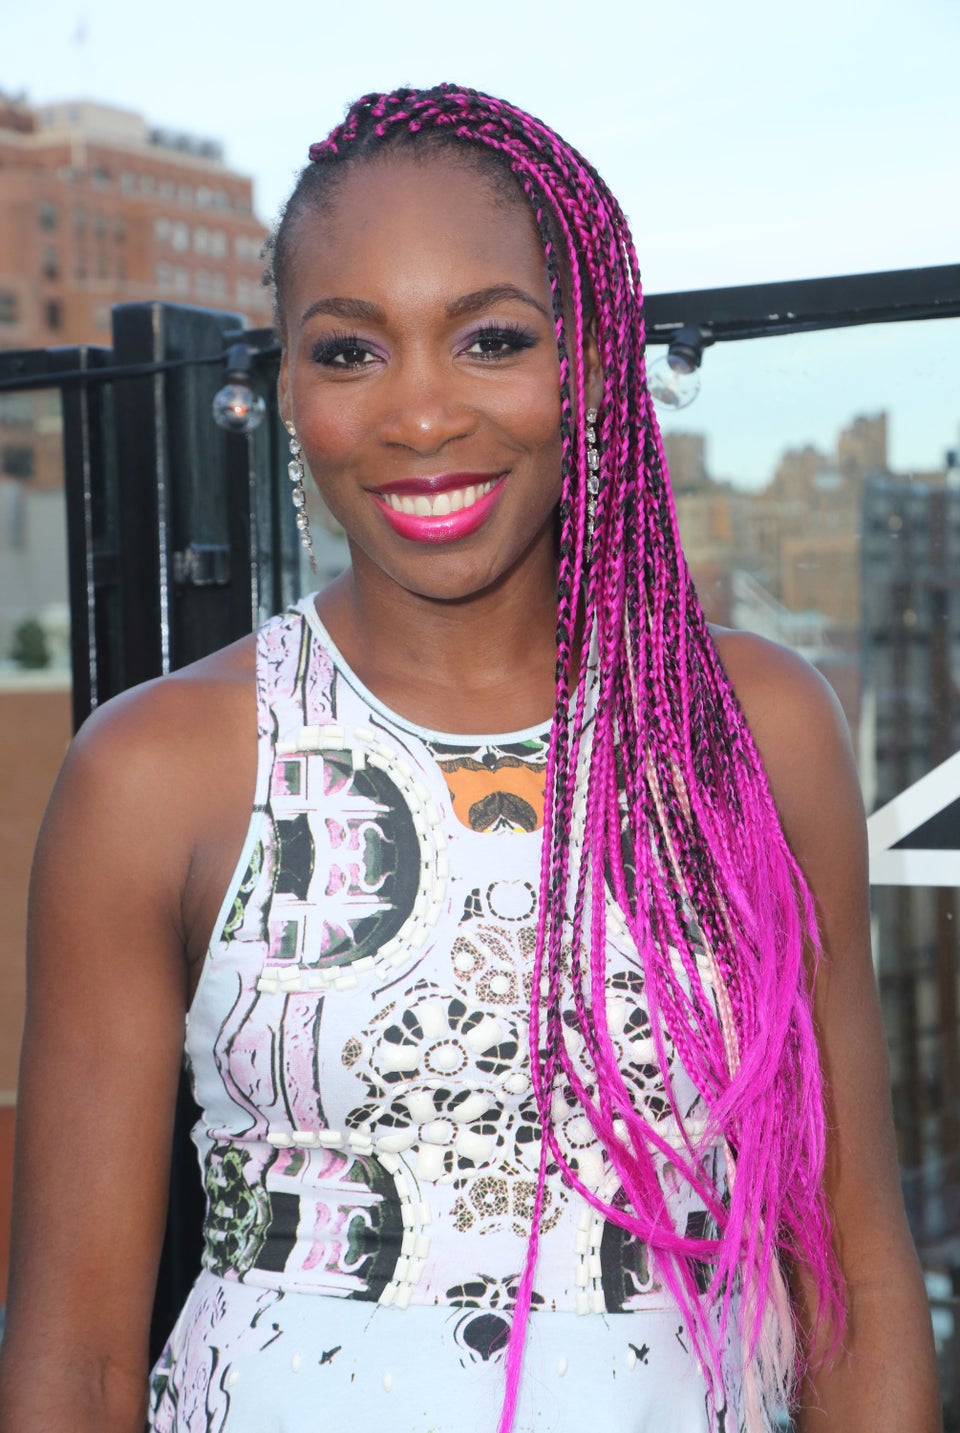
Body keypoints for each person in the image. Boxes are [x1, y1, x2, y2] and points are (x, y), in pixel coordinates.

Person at [0, 84, 941, 1433]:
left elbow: (850, 1271)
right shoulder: (152, 770)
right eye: (348, 351)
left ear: (594, 363)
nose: (421, 415)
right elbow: (73, 1360)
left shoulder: (759, 727)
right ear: (284, 391)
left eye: (490, 337)